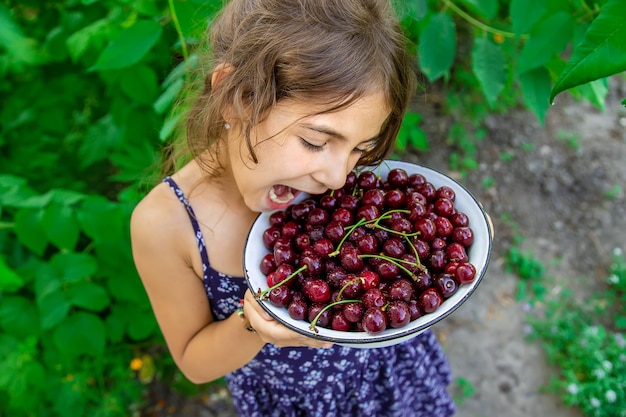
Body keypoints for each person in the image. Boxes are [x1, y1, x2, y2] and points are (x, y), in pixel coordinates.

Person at [130, 0, 456, 415]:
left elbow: (410, 237)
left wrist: (463, 244)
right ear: (237, 100)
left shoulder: (335, 185)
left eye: (361, 148)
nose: (338, 177)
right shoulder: (166, 225)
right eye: (316, 143)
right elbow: (194, 361)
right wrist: (253, 326)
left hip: (386, 374)